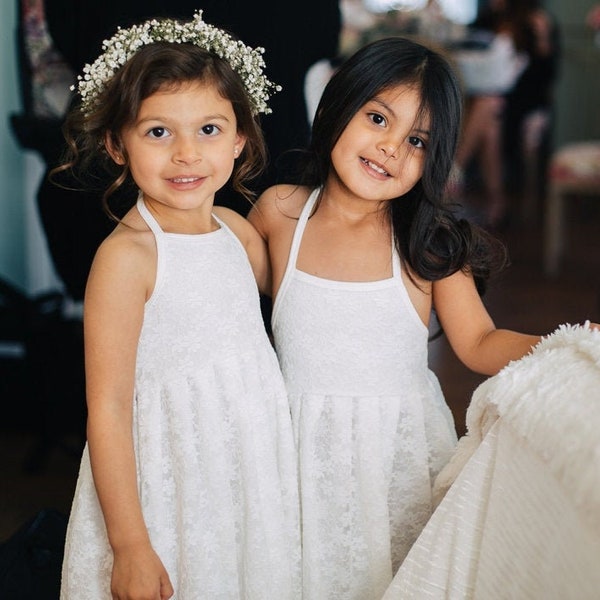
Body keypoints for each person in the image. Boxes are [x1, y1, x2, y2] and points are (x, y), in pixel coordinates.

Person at [248, 36, 599, 600]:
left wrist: (568, 341)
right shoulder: (280, 213)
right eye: (377, 118)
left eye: (416, 140)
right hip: (296, 449)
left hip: (397, 460)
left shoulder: (425, 242)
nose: (390, 147)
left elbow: (480, 342)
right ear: (338, 105)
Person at [57, 12, 301, 599]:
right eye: (158, 132)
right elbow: (109, 408)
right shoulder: (128, 259)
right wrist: (130, 545)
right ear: (118, 144)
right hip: (167, 482)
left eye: (210, 130)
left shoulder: (237, 231)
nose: (187, 154)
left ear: (240, 139)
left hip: (243, 470)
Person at [450, 0, 560, 228]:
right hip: (489, 97)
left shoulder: (536, 21)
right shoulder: (484, 21)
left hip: (523, 101)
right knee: (489, 117)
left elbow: (547, 75)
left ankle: (453, 171)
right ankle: (495, 201)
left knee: (489, 108)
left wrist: (542, 39)